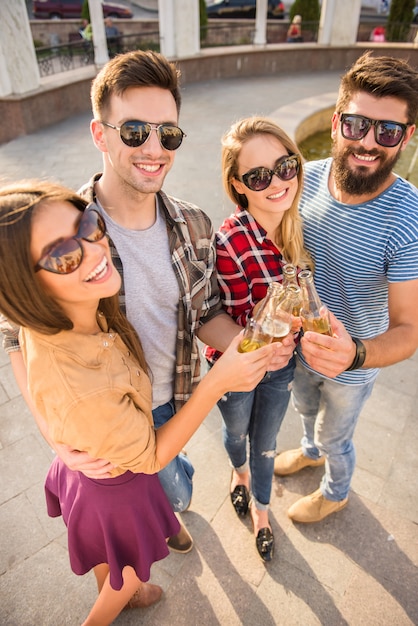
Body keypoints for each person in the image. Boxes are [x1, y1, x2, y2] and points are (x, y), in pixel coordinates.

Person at [1, 50, 294, 554]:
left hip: (174, 394)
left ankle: (168, 510)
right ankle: (166, 519)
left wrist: (252, 348)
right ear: (100, 134)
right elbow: (17, 336)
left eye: (169, 133)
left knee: (173, 483)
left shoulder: (195, 223)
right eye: (135, 131)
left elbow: (205, 313)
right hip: (113, 412)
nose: (154, 148)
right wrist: (54, 435)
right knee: (167, 492)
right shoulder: (66, 233)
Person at [0, 180, 275, 625]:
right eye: (63, 255)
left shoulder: (65, 317)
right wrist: (218, 381)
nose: (94, 250)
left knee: (111, 559)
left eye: (89, 225)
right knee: (123, 579)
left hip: (87, 472)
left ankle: (134, 588)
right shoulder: (83, 382)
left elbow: (15, 333)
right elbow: (149, 457)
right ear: (26, 288)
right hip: (116, 488)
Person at [274, 52, 418, 524]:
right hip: (299, 348)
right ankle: (309, 451)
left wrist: (353, 354)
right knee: (303, 407)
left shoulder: (408, 217)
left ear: (407, 137)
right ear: (336, 123)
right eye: (357, 125)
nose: (369, 143)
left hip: (352, 366)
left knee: (339, 436)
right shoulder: (304, 178)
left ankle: (336, 491)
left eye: (388, 131)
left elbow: (409, 328)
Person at [204, 117, 311, 561]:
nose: (278, 182)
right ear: (239, 185)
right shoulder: (229, 240)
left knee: (266, 440)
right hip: (236, 366)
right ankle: (239, 474)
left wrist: (305, 325)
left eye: (285, 166)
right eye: (259, 176)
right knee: (235, 433)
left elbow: (304, 306)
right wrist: (272, 337)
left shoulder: (298, 231)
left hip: (281, 368)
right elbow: (223, 317)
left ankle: (263, 513)